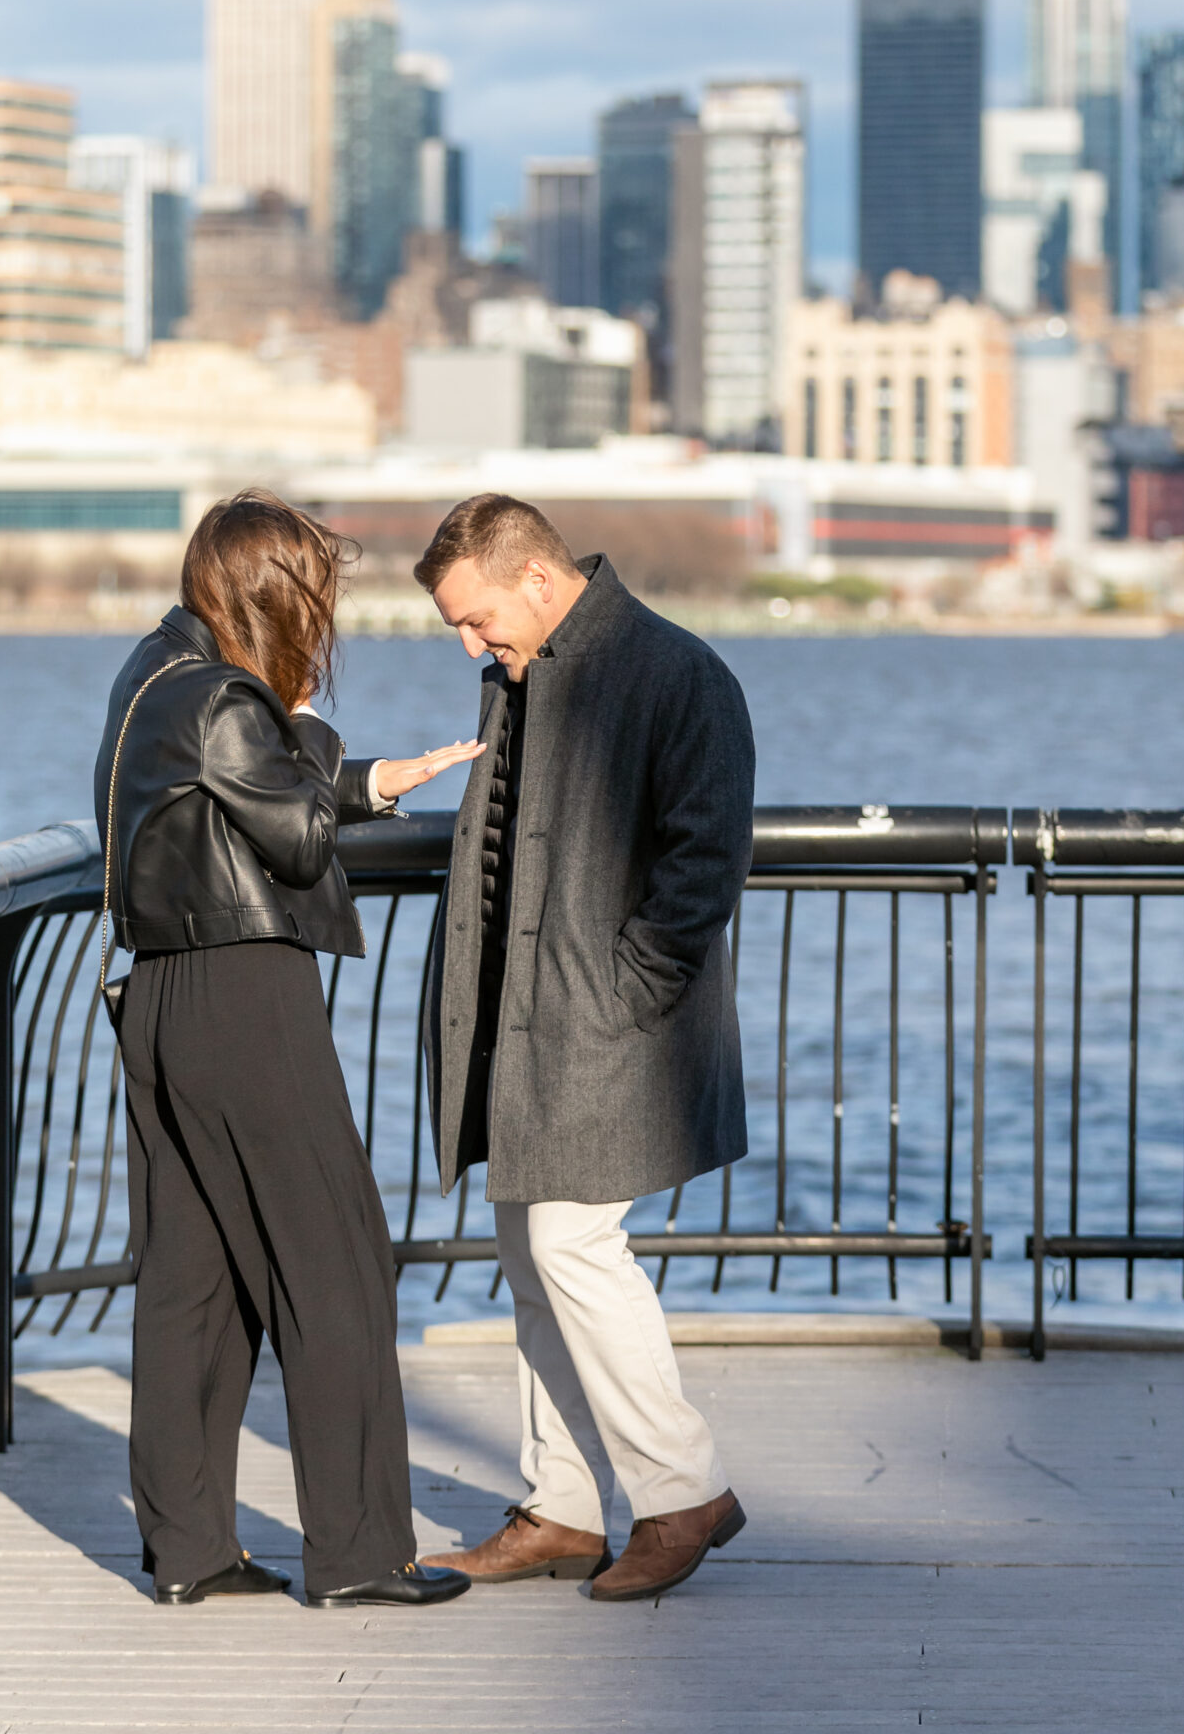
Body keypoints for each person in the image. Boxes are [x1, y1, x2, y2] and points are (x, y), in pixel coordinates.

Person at [94, 489, 480, 1610]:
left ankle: (189, 1549)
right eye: (316, 594)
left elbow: (236, 807)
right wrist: (310, 723)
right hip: (243, 993)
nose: (326, 618)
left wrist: (372, 783)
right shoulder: (230, 697)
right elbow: (298, 839)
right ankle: (362, 1553)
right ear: (279, 598)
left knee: (194, 1277)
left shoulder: (155, 672)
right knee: (337, 1260)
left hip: (165, 992)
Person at [414, 494, 754, 1604]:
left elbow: (706, 859)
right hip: (527, 1022)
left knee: (568, 1242)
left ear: (539, 582)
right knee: (528, 1253)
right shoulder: (531, 665)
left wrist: (623, 992)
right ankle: (561, 1507)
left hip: (610, 1029)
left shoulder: (677, 674)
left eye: (476, 619)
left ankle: (681, 1490)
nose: (471, 644)